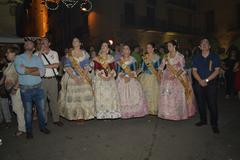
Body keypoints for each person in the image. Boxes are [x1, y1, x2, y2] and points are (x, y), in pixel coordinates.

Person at [14, 39, 50, 139]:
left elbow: (42, 72)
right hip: (26, 90)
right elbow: (20, 71)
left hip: (38, 88)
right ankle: (29, 131)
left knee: (41, 110)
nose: (27, 44)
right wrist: (35, 69)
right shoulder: (18, 57)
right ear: (24, 46)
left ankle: (43, 127)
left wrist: (27, 69)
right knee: (28, 112)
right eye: (26, 43)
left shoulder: (37, 58)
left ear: (34, 48)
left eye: (30, 43)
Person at [158, 40, 196, 120]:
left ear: (174, 46)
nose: (168, 48)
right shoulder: (166, 56)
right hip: (167, 76)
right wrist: (160, 72)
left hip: (179, 77)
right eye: (168, 46)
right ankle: (167, 113)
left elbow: (182, 68)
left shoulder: (180, 56)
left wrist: (175, 75)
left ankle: (178, 113)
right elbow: (161, 66)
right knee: (166, 94)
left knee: (178, 95)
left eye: (170, 46)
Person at [59, 37, 95, 122]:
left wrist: (82, 77)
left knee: (83, 97)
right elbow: (67, 67)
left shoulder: (84, 53)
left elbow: (87, 66)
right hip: (73, 78)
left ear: (80, 43)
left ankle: (84, 114)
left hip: (83, 77)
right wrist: (75, 78)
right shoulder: (69, 55)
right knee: (75, 98)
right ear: (72, 44)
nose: (75, 42)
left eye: (77, 41)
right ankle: (75, 116)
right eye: (73, 41)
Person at [192, 38, 221, 134]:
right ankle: (203, 120)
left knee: (212, 104)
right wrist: (200, 80)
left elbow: (217, 71)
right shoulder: (196, 57)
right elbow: (194, 71)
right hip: (199, 83)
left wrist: (207, 80)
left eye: (206, 43)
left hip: (211, 84)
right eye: (202, 43)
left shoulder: (214, 56)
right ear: (200, 47)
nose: (204, 44)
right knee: (200, 103)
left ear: (209, 46)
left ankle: (214, 124)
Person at [36, 38, 63, 127]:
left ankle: (56, 119)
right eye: (41, 42)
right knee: (42, 101)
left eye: (45, 42)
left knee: (54, 100)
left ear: (49, 43)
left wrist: (43, 66)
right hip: (42, 80)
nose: (43, 43)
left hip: (52, 79)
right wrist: (40, 52)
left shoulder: (54, 53)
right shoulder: (37, 54)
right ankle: (44, 121)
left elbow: (56, 65)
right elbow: (36, 65)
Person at [116, 44, 148, 119]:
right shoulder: (119, 61)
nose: (126, 50)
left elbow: (134, 71)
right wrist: (124, 76)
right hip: (122, 79)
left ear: (130, 51)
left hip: (131, 78)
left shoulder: (133, 60)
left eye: (127, 49)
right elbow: (118, 72)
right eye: (124, 49)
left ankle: (134, 111)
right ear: (122, 51)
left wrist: (129, 76)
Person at [93, 42, 121, 119]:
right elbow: (96, 69)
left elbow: (113, 69)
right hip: (100, 80)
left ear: (108, 49)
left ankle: (111, 113)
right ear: (101, 48)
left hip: (110, 79)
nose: (104, 47)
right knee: (101, 96)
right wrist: (102, 76)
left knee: (110, 96)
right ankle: (102, 114)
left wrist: (110, 76)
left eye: (105, 46)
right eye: (102, 46)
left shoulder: (111, 58)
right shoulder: (97, 58)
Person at [4, 47, 26, 136]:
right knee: (18, 108)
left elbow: (22, 76)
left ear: (13, 53)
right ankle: (24, 126)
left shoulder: (18, 62)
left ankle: (22, 128)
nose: (6, 54)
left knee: (17, 109)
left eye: (7, 53)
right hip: (12, 90)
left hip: (17, 89)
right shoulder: (11, 63)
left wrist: (15, 88)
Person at [139, 43, 160, 115]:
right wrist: (135, 73)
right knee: (145, 93)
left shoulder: (157, 57)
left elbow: (158, 68)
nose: (149, 49)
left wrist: (159, 76)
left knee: (153, 93)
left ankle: (152, 109)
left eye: (150, 47)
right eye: (147, 48)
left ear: (153, 49)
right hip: (145, 77)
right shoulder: (144, 57)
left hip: (154, 77)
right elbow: (142, 68)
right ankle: (146, 109)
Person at [0, 53, 12, 128]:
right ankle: (1, 120)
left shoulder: (5, 66)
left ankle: (8, 120)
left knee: (4, 105)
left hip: (2, 88)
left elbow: (5, 77)